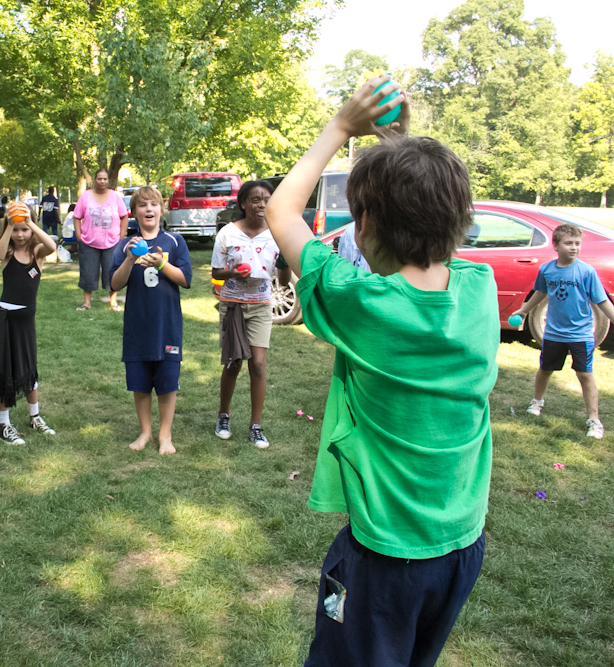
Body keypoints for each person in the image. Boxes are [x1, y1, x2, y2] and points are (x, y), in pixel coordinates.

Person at [265, 76, 497, 666]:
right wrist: (402, 146)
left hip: (385, 560)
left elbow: (281, 209)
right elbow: (427, 229)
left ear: (362, 225)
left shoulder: (361, 303)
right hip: (460, 549)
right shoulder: (479, 290)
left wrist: (342, 127)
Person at [510, 224, 614, 438]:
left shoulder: (586, 272)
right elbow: (540, 293)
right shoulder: (547, 270)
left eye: (577, 244)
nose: (574, 248)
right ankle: (537, 401)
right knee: (545, 369)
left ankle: (594, 419)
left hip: (581, 335)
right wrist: (523, 310)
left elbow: (602, 301)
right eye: (569, 243)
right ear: (556, 245)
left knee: (585, 374)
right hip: (553, 334)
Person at [110, 186, 192, 455]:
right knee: (140, 383)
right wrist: (130, 260)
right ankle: (145, 431)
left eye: (153, 204)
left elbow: (185, 280)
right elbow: (114, 283)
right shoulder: (125, 245)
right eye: (142, 205)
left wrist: (161, 264)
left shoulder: (175, 241)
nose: (148, 209)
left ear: (161, 209)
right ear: (133, 212)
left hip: (167, 325)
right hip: (138, 325)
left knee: (167, 382)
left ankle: (165, 435)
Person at [211, 179, 280, 449]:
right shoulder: (228, 233)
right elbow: (217, 272)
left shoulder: (277, 233)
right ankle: (223, 416)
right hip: (233, 305)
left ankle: (256, 426)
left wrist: (285, 261)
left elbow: (282, 276)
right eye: (255, 199)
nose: (262, 204)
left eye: (266, 200)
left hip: (261, 304)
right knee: (233, 362)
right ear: (243, 203)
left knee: (259, 365)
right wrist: (232, 272)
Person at [0, 202, 58, 445]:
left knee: (28, 369)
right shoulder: (7, 254)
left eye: (23, 230)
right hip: (6, 320)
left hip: (26, 322)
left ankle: (34, 416)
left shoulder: (37, 253)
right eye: (15, 230)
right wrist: (9, 223)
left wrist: (30, 223)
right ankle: (4, 425)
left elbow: (51, 245)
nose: (20, 234)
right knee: (5, 370)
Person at [74, 169, 129, 311]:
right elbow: (76, 216)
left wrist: (121, 235)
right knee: (88, 272)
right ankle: (86, 303)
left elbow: (124, 216)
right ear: (95, 180)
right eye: (99, 179)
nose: (102, 181)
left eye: (105, 179)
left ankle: (113, 302)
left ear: (108, 180)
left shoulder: (115, 197)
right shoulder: (86, 196)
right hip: (88, 243)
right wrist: (79, 236)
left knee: (111, 272)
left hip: (112, 243)